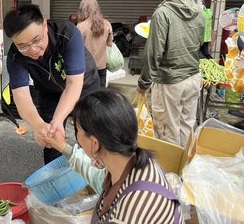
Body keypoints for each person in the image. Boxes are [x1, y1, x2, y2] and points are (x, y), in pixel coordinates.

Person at [45, 89, 183, 223]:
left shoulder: (132, 209)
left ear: (95, 143)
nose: (76, 136)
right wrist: (62, 146)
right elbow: (95, 176)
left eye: (77, 129)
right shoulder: (129, 162)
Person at [3, 4, 101, 165]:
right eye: (23, 46)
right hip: (49, 92)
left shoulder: (67, 33)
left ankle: (97, 175)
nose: (33, 50)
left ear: (44, 25)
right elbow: (21, 97)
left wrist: (57, 120)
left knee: (92, 133)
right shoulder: (15, 56)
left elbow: (73, 83)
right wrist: (39, 125)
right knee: (50, 138)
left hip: (84, 87)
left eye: (37, 40)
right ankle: (54, 180)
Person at [137, 0, 205, 147]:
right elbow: (199, 43)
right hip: (193, 77)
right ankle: (183, 169)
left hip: (170, 82)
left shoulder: (162, 13)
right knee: (186, 126)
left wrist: (144, 83)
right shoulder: (198, 10)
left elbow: (154, 53)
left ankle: (170, 172)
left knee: (167, 131)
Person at [76, 0, 113, 88]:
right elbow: (109, 44)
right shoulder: (107, 24)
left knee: (87, 97)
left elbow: (76, 49)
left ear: (82, 9)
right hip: (102, 67)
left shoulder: (80, 27)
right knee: (101, 96)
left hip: (86, 68)